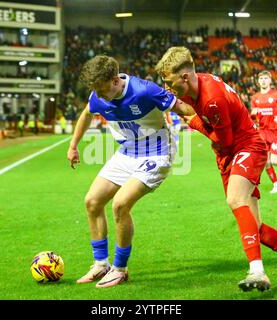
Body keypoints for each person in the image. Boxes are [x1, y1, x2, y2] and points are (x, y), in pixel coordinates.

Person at [155, 46, 277, 292]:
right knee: (255, 228)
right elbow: (184, 108)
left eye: (169, 82)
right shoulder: (198, 85)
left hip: (246, 147)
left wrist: (195, 122)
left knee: (235, 198)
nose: (168, 87)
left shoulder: (211, 98)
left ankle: (257, 271)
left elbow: (225, 140)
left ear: (184, 77)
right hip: (228, 154)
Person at [67, 55, 194, 288]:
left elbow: (185, 109)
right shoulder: (98, 95)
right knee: (92, 201)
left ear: (115, 80)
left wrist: (215, 126)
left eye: (103, 90)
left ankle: (120, 269)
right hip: (127, 153)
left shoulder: (145, 91)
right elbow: (86, 114)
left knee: (120, 204)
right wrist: (73, 145)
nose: (100, 96)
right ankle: (100, 264)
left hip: (157, 152)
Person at [250, 71, 277, 193]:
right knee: (265, 162)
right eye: (261, 78)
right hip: (262, 132)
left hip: (275, 132)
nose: (263, 80)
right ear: (258, 81)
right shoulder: (255, 98)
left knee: (275, 162)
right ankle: (276, 185)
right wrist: (252, 115)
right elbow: (253, 116)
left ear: (270, 80)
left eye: (266, 78)